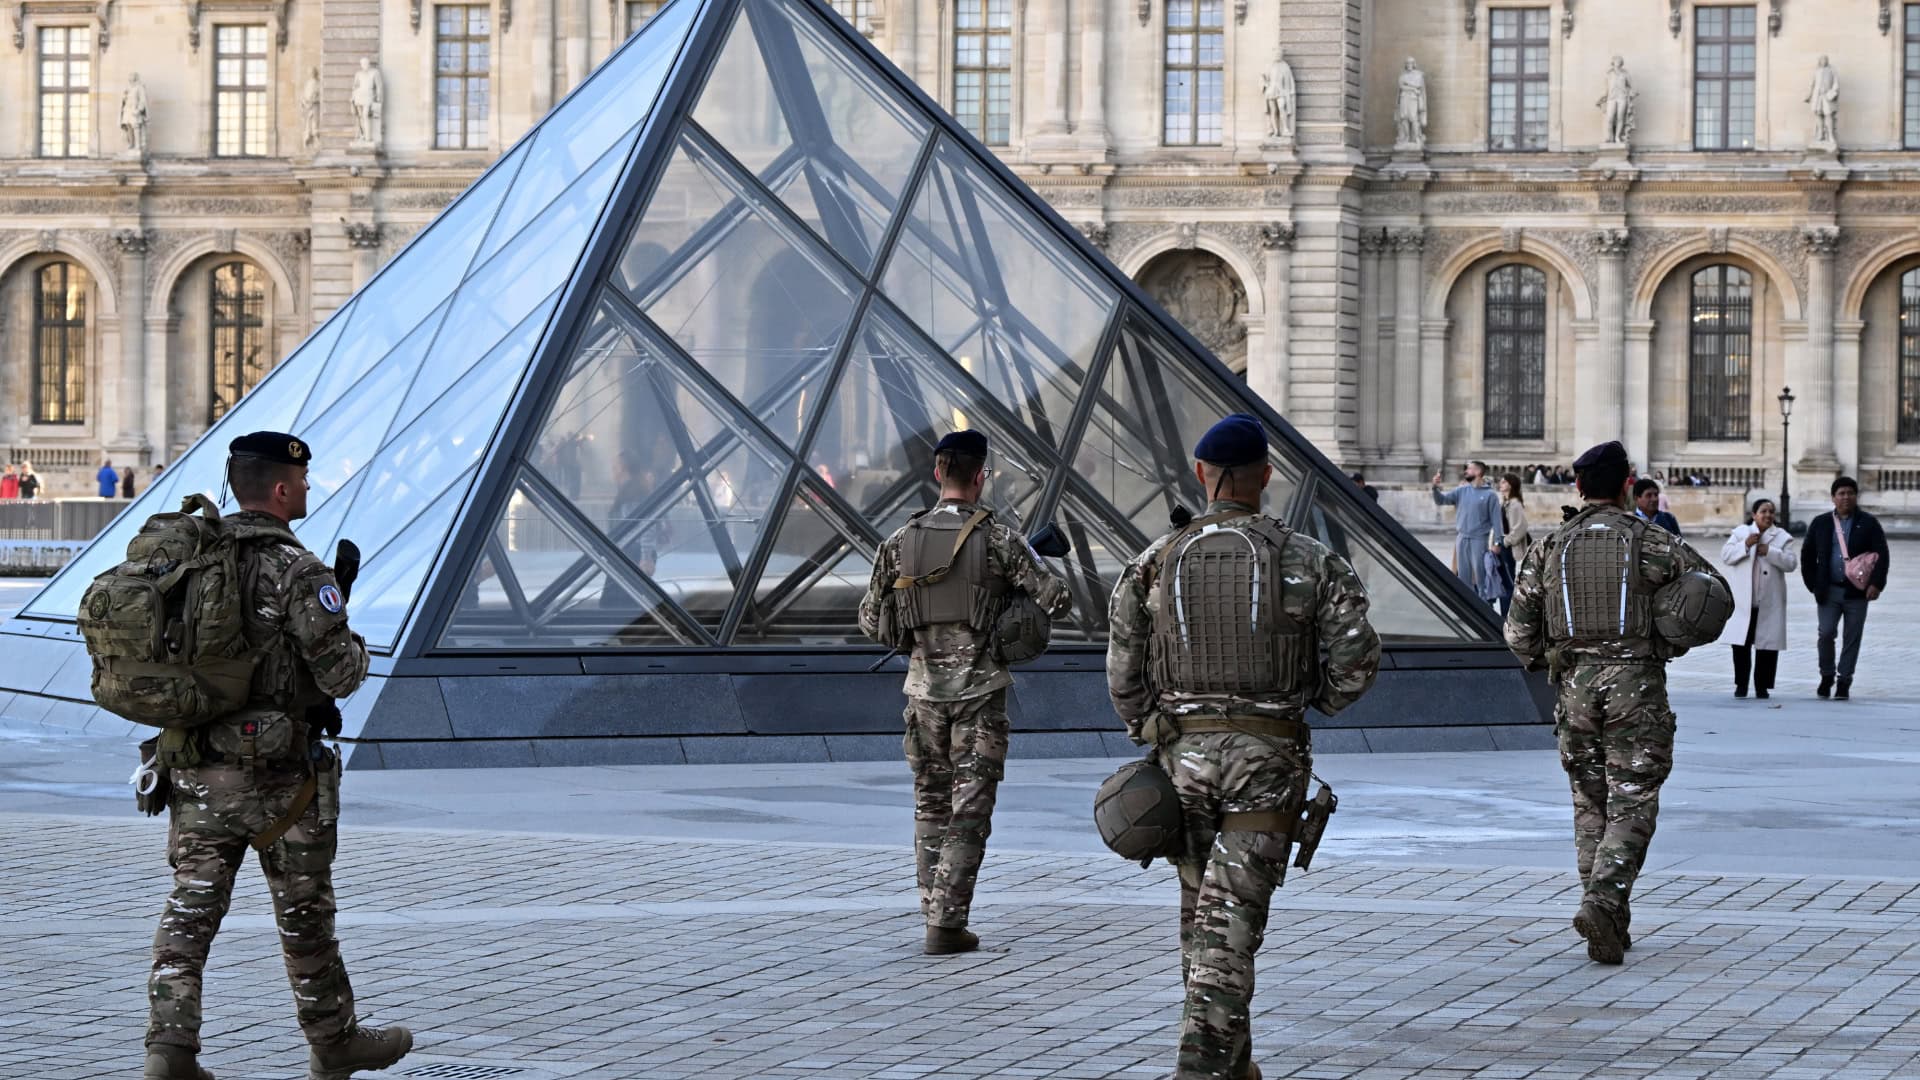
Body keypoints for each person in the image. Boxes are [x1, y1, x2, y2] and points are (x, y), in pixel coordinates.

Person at [1109, 413, 1381, 1080]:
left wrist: (1153, 727)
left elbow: (1123, 674)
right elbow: (1357, 662)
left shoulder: (1152, 562)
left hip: (1184, 763)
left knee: (1202, 912)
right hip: (1267, 761)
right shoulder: (1309, 559)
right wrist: (1307, 701)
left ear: (1202, 476)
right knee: (1228, 919)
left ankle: (1234, 1062)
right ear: (1265, 477)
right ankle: (1201, 1066)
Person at [143, 431, 414, 1080]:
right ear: (283, 487)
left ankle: (169, 1051)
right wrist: (351, 636)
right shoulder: (298, 569)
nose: (311, 489)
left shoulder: (187, 560)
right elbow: (342, 673)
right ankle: (333, 1040)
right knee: (304, 914)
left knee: (189, 911)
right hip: (281, 779)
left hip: (194, 766)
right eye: (305, 480)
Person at [1505, 440, 1724, 966]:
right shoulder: (1653, 541)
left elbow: (1516, 633)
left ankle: (1608, 917)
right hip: (1637, 685)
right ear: (1628, 484)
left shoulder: (1549, 548)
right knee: (1633, 798)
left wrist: (1553, 658)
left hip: (1575, 687)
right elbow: (1712, 594)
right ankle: (1603, 902)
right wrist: (1668, 635)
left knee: (1590, 802)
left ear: (1578, 487)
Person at [858, 430, 1070, 956]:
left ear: (937, 473)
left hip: (922, 696)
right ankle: (947, 923)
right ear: (981, 477)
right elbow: (1058, 599)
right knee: (969, 809)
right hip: (979, 694)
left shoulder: (899, 542)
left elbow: (869, 619)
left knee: (930, 804)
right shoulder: (999, 539)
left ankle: (934, 908)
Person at [1799, 476, 1890, 700]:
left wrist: (1876, 584)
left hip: (1857, 593)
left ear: (1856, 496)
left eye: (1850, 493)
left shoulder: (1868, 523)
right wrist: (1813, 584)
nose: (1845, 497)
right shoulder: (1821, 523)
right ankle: (1827, 674)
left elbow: (1882, 554)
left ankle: (1844, 680)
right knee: (1826, 633)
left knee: (1852, 637)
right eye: (1841, 493)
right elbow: (1807, 555)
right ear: (1833, 498)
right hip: (1828, 591)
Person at [1721, 499, 1797, 700]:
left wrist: (1770, 552)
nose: (1768, 515)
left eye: (1771, 512)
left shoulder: (1782, 537)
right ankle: (1741, 684)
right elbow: (1726, 556)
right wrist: (1745, 546)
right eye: (1763, 511)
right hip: (1744, 602)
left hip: (1768, 602)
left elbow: (1791, 563)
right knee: (1741, 646)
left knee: (1767, 647)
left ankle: (1762, 686)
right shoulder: (1740, 533)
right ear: (1754, 514)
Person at [1431, 461, 1502, 597]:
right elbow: (1441, 500)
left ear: (1478, 472)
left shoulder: (1490, 495)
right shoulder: (1461, 491)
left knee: (1481, 578)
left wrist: (1498, 543)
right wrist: (1435, 487)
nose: (1466, 471)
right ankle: (1466, 611)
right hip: (1462, 539)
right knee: (1463, 578)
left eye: (1469, 469)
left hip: (1479, 540)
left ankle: (1483, 609)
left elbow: (1496, 521)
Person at [1493, 473, 1530, 617]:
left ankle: (1507, 617)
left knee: (1507, 584)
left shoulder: (1515, 504)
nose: (1500, 484)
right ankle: (1504, 614)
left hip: (1508, 549)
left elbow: (1521, 527)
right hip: (1502, 548)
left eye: (1503, 482)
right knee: (1503, 582)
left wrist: (1505, 541)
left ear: (1510, 484)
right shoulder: (1506, 503)